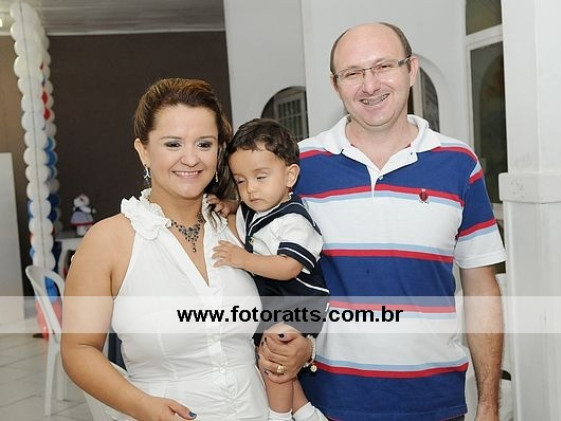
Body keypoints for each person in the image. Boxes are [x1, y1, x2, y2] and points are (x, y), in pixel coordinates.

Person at [290, 22, 506, 421]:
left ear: (411, 70)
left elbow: (481, 289)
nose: (370, 85)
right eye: (353, 73)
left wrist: (488, 405)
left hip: (436, 405)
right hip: (328, 406)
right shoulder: (299, 167)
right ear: (335, 85)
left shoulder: (459, 164)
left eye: (383, 66)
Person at [62, 78, 278, 421]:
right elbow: (78, 349)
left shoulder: (244, 226)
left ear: (219, 150)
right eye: (173, 144)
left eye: (204, 144)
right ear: (144, 150)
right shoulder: (108, 241)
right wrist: (143, 407)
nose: (190, 158)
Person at [212, 118, 329, 421]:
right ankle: (306, 413)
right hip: (277, 301)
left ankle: (278, 417)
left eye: (260, 177)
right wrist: (229, 205)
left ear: (290, 175)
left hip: (301, 301)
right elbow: (243, 210)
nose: (250, 189)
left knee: (275, 351)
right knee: (269, 357)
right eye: (240, 181)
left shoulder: (294, 220)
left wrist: (243, 259)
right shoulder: (257, 207)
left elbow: (288, 266)